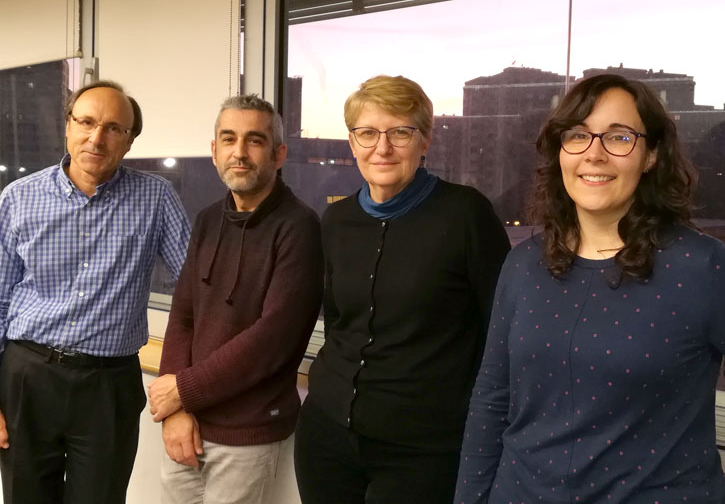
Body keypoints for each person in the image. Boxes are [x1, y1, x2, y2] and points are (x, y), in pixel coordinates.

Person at [455, 74, 725, 503]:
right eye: (578, 135)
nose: (594, 154)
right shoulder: (524, 264)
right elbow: (492, 398)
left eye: (618, 137)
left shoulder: (704, 267)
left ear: (651, 154)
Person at [294, 75, 510, 504]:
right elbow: (338, 320)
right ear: (352, 142)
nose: (383, 147)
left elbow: (500, 331)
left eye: (400, 132)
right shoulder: (337, 222)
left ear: (425, 140)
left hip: (423, 446)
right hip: (327, 431)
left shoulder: (466, 214)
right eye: (368, 133)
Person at [0, 80, 191, 503]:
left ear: (129, 140)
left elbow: (198, 288)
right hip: (27, 376)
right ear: (67, 127)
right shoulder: (18, 198)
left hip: (109, 384)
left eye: (113, 128)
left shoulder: (155, 197)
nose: (96, 137)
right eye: (85, 122)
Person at [148, 94, 323, 504]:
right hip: (186, 425)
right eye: (228, 139)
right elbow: (183, 315)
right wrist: (175, 410)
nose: (239, 152)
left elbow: (274, 339)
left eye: (255, 140)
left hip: (248, 435)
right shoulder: (208, 219)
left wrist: (182, 392)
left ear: (279, 154)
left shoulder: (299, 227)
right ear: (214, 151)